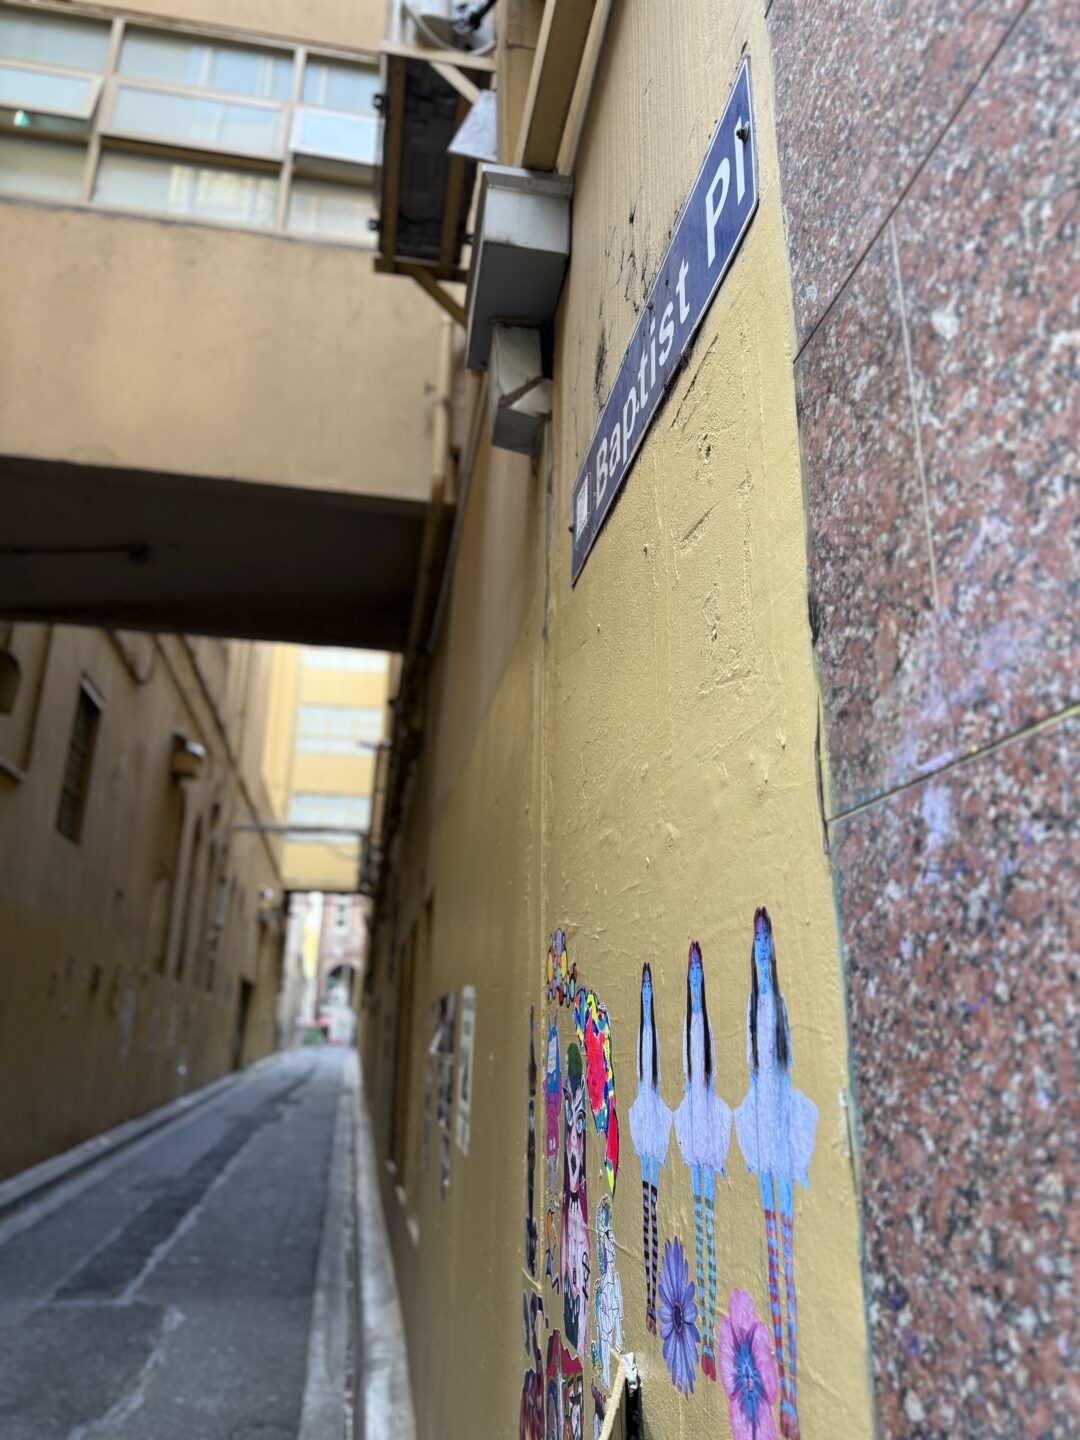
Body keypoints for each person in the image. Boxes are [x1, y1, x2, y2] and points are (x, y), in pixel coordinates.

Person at [733, 908, 818, 1440]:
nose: (762, 948)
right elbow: (753, 1076)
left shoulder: (780, 1006)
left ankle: (791, 1396)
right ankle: (781, 1387)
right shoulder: (750, 1010)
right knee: (772, 1260)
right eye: (757, 941)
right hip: (762, 1134)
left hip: (782, 1134)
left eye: (767, 940)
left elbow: (784, 1076)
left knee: (785, 1261)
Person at [673, 941, 731, 1380]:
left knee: (708, 1224)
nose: (694, 978)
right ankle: (707, 1332)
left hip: (707, 1121)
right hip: (692, 1121)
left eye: (698, 972)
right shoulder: (687, 1027)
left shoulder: (706, 1023)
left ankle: (710, 1331)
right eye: (690, 972)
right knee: (699, 1224)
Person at [627, 963, 672, 1333]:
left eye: (648, 988)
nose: (645, 993)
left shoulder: (654, 1033)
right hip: (644, 1115)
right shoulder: (643, 1034)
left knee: (652, 1208)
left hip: (654, 1117)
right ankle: (649, 1298)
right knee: (647, 1213)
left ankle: (651, 1299)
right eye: (642, 988)